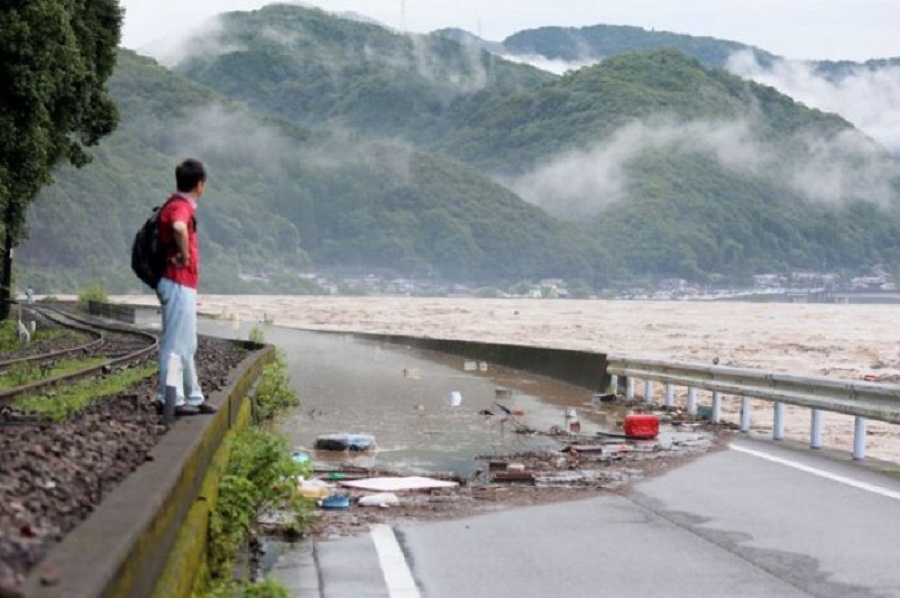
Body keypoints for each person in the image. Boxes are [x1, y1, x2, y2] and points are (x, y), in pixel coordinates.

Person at [156, 158, 216, 416]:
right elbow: (179, 227)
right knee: (174, 345)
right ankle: (170, 399)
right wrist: (185, 255)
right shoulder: (181, 207)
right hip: (177, 281)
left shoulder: (176, 204)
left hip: (182, 283)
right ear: (199, 184)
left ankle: (193, 396)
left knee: (187, 343)